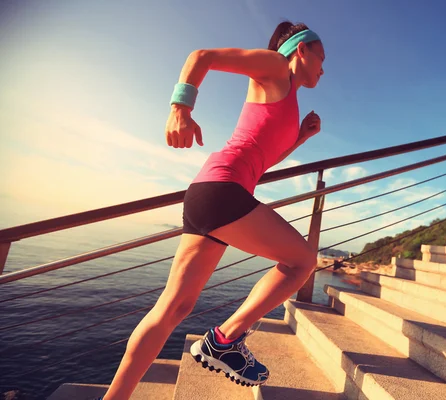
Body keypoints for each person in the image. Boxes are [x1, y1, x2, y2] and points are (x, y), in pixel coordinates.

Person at [98, 21, 325, 399]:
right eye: (322, 57)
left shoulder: (287, 97)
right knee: (302, 261)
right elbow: (200, 57)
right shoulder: (273, 67)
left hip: (212, 193)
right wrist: (180, 108)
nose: (323, 67)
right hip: (223, 191)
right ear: (301, 50)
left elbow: (263, 160)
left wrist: (300, 137)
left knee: (173, 308)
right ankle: (225, 339)